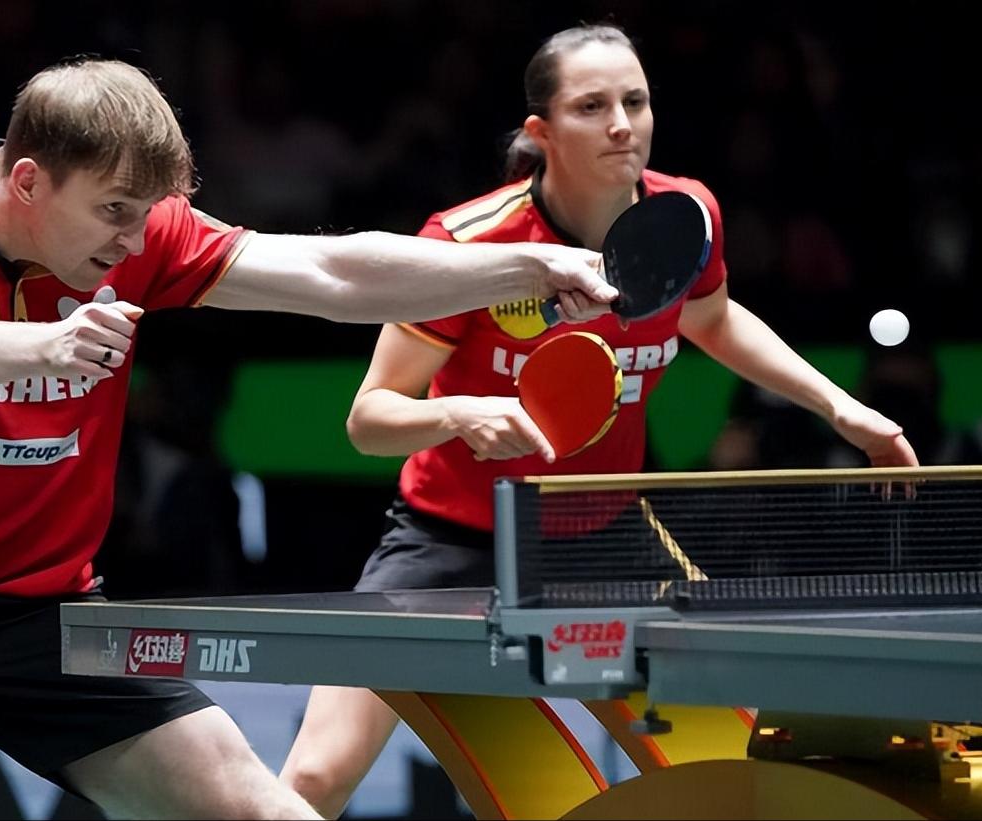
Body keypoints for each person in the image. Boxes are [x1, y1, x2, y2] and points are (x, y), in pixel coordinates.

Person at [0, 57, 619, 821]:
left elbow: (331, 272)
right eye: (114, 213)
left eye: (144, 216)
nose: (134, 243)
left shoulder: (139, 238)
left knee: (263, 811)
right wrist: (39, 345)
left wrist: (523, 267)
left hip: (41, 624)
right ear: (29, 178)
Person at [277, 24, 920, 818]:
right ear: (541, 131)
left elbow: (713, 319)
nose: (621, 124)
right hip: (453, 537)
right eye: (591, 106)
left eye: (634, 101)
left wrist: (841, 407)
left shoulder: (685, 217)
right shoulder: (467, 244)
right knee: (317, 775)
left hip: (603, 533)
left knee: (740, 764)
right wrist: (458, 412)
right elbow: (369, 418)